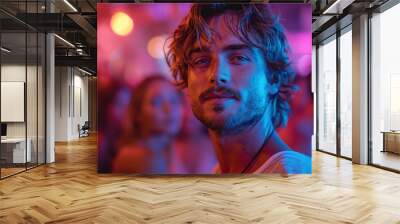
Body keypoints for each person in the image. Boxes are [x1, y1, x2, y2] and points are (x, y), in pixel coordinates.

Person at [166, 3, 311, 174]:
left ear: (272, 78)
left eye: (238, 58)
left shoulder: (294, 175)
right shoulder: (219, 172)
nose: (217, 74)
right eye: (201, 61)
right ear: (186, 82)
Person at [112, 75, 184, 173]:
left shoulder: (173, 149)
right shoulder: (134, 157)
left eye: (174, 100)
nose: (169, 109)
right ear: (138, 113)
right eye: (156, 102)